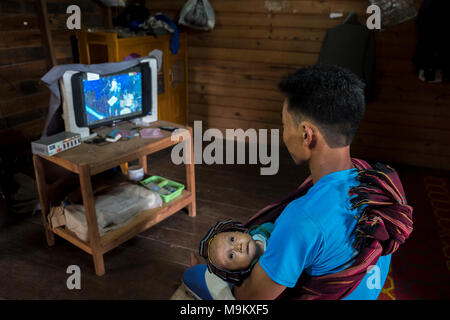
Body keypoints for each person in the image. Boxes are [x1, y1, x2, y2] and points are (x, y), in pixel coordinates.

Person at [183, 64, 413, 300]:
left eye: (284, 125)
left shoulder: (303, 220)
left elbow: (250, 300)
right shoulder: (375, 180)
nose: (283, 135)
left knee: (197, 276)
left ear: (306, 135)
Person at [198, 220, 274, 284]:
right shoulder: (261, 275)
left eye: (232, 239)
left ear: (237, 231)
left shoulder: (262, 229)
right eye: (231, 255)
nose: (238, 247)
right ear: (236, 271)